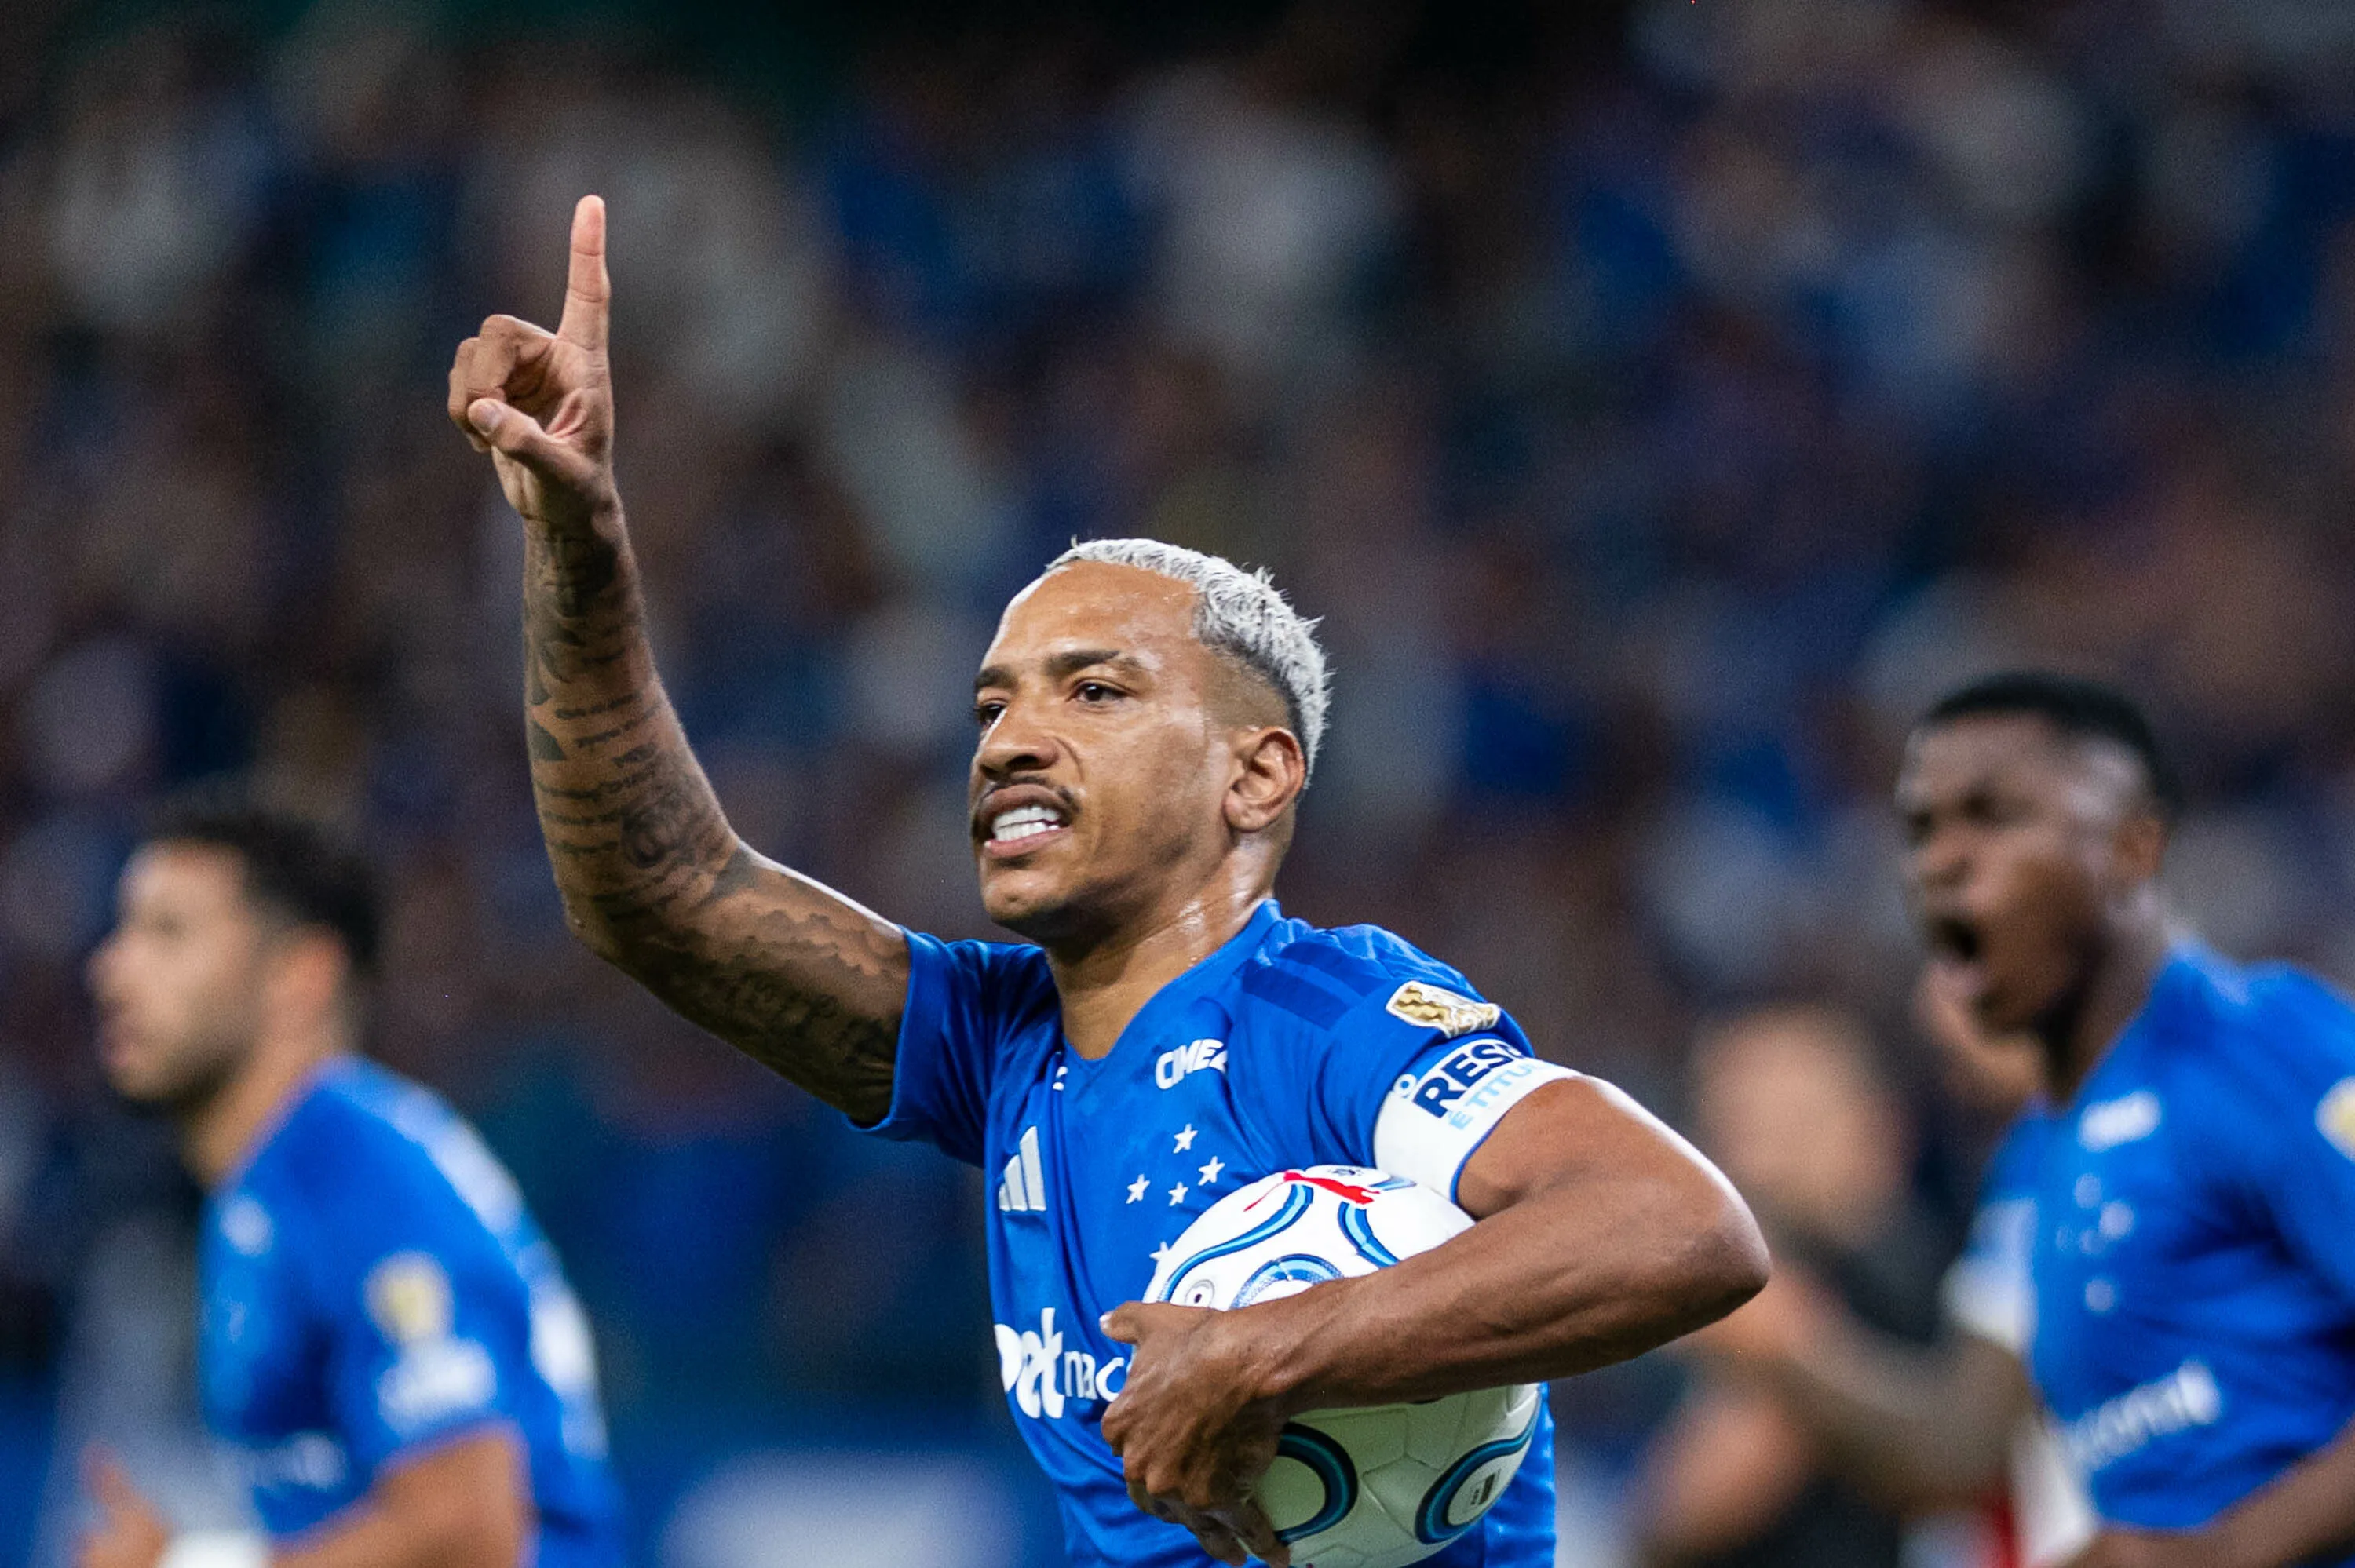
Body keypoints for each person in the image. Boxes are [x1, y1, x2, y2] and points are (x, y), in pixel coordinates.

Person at [445, 193, 1769, 1568]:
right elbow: (658, 895)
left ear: (1254, 776)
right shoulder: (1001, 1040)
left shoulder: (1321, 1012)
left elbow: (1679, 1226)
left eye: (1094, 690)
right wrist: (579, 538)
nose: (1013, 738)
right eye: (993, 705)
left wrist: (1263, 1351)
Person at [1700, 671, 2355, 1568]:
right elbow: (1956, 1449)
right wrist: (1766, 1333)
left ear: (2131, 850)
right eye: (1925, 833)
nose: (1944, 865)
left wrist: (2223, 1550)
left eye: (1997, 818)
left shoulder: (2267, 1044)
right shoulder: (2037, 1161)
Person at [76, 792, 623, 1568]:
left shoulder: (359, 1178)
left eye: (168, 933)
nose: (110, 968)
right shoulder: (274, 1186)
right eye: (122, 929)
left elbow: (468, 1531)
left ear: (300, 976)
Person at [1637, 1006, 1949, 1568]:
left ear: (1876, 1127)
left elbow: (1703, 1502)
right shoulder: (1739, 1283)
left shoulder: (1862, 1281)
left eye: (1792, 1126)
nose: (1757, 1162)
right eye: (1735, 1125)